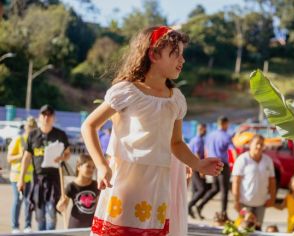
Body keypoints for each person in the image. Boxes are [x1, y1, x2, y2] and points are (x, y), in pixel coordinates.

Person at [81, 25, 223, 235]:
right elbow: (89, 126)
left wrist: (198, 164)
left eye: (182, 55)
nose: (182, 60)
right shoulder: (127, 91)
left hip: (158, 183)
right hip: (126, 180)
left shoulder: (175, 100)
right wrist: (101, 165)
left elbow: (176, 144)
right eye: (175, 54)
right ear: (154, 54)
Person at [17, 104, 71, 231]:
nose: (46, 117)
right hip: (38, 179)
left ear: (54, 118)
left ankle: (50, 234)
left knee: (52, 212)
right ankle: (41, 233)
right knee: (39, 214)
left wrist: (62, 157)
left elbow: (68, 153)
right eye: (44, 114)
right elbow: (26, 158)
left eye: (49, 115)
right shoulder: (32, 135)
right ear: (39, 117)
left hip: (54, 179)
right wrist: (21, 179)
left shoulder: (60, 134)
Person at [197, 116, 236, 223]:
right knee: (224, 191)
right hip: (222, 165)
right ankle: (223, 215)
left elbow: (206, 150)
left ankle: (200, 205)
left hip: (212, 164)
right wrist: (236, 164)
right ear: (224, 124)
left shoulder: (210, 135)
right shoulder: (226, 136)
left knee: (215, 188)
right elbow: (233, 150)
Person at [232, 134, 276, 225]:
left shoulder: (268, 161)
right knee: (243, 229)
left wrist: (272, 198)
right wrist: (236, 201)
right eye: (257, 144)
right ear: (250, 144)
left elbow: (272, 181)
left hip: (261, 204)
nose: (259, 146)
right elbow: (236, 181)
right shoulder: (242, 159)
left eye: (261, 144)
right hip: (244, 204)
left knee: (258, 228)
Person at [7, 117, 37, 234]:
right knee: (17, 201)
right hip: (16, 177)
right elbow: (9, 158)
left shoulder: (34, 140)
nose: (31, 129)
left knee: (28, 201)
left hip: (29, 177)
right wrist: (22, 156)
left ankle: (27, 225)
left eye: (33, 127)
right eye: (29, 127)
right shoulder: (18, 140)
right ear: (25, 127)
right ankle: (15, 226)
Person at [56, 154, 100, 228]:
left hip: (92, 226)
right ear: (79, 167)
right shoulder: (71, 186)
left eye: (93, 167)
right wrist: (60, 205)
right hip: (75, 226)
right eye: (88, 166)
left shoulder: (96, 185)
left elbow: (99, 206)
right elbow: (61, 207)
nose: (91, 169)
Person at [187, 123, 208, 219]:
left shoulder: (195, 140)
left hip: (193, 166)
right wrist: (201, 169)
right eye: (204, 129)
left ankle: (190, 209)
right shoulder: (198, 140)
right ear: (200, 129)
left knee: (195, 190)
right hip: (195, 167)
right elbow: (197, 155)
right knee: (202, 189)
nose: (205, 131)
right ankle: (189, 206)